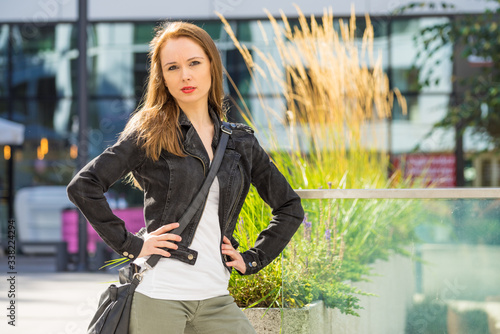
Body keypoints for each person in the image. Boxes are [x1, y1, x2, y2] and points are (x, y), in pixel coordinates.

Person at [67, 20, 304, 334]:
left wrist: (253, 258)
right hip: (159, 296)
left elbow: (289, 206)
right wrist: (132, 245)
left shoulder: (240, 142)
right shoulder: (150, 132)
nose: (185, 75)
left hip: (216, 297)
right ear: (162, 77)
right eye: (173, 67)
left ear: (211, 66)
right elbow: (84, 185)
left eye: (194, 63)